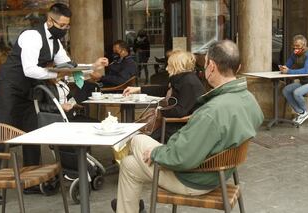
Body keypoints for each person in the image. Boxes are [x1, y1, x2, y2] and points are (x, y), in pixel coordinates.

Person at [0, 3, 108, 205]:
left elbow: (69, 66)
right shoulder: (31, 36)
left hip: (27, 92)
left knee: (33, 133)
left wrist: (92, 68)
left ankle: (31, 182)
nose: (64, 29)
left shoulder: (56, 43)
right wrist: (56, 73)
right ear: (50, 20)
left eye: (67, 26)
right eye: (62, 25)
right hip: (8, 89)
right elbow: (30, 70)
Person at [112, 40, 264, 213]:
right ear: (238, 67)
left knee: (136, 138)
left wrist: (156, 152)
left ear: (211, 66)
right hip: (218, 172)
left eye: (205, 64)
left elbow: (181, 157)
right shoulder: (249, 99)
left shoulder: (212, 111)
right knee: (129, 164)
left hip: (194, 178)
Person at [123, 50, 205, 142]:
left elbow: (180, 111)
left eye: (169, 65)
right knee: (135, 135)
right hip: (171, 125)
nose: (166, 68)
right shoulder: (183, 79)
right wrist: (139, 89)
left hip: (177, 129)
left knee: (136, 138)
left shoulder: (188, 82)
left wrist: (160, 111)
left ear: (177, 66)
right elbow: (164, 90)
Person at [280, 35, 308, 125]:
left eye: (298, 46)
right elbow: (288, 65)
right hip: (304, 82)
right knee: (286, 90)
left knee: (297, 92)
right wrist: (283, 68)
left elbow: (306, 70)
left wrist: (289, 71)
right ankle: (301, 112)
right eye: (294, 46)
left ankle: (305, 112)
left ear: (304, 45)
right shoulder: (295, 54)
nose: (295, 48)